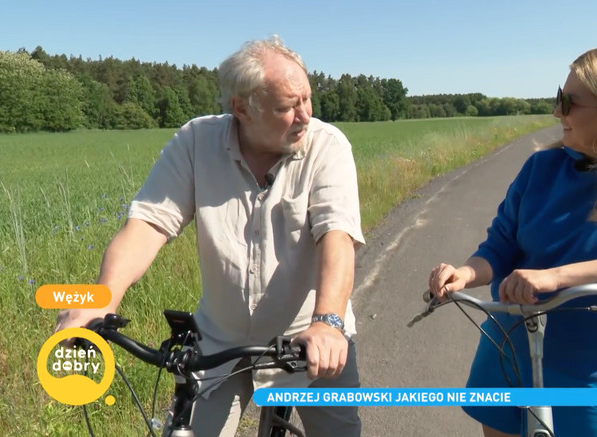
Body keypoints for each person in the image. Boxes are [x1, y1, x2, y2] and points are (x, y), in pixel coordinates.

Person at [54, 36, 365, 437]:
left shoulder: (328, 147)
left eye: (307, 100)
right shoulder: (196, 141)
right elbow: (148, 224)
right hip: (220, 341)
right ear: (241, 109)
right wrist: (102, 299)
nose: (305, 115)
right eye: (288, 107)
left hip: (310, 342)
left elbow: (336, 237)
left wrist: (328, 322)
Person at [428, 46, 597, 437]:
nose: (557, 112)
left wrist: (558, 277)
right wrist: (463, 273)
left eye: (569, 102)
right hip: (506, 353)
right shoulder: (540, 168)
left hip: (584, 376)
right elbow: (501, 245)